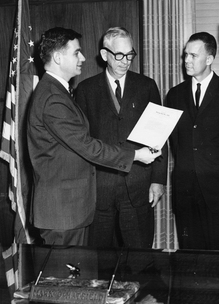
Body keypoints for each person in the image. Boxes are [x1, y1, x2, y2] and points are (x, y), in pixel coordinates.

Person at [27, 27, 161, 246]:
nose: (83, 57)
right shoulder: (54, 98)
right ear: (59, 57)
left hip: (71, 207)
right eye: (76, 53)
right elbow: (87, 145)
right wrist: (135, 155)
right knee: (67, 276)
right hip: (64, 210)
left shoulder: (57, 92)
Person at [75, 27, 168, 248]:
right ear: (104, 54)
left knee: (140, 260)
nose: (125, 61)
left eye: (130, 55)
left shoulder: (146, 86)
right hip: (100, 190)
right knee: (101, 261)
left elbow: (159, 136)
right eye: (119, 55)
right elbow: (82, 142)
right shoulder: (85, 90)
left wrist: (157, 180)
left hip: (138, 187)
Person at [166, 32, 219, 250]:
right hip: (185, 190)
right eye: (186, 55)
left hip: (218, 192)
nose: (186, 60)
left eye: (193, 55)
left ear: (209, 58)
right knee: (188, 256)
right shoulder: (174, 95)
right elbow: (174, 143)